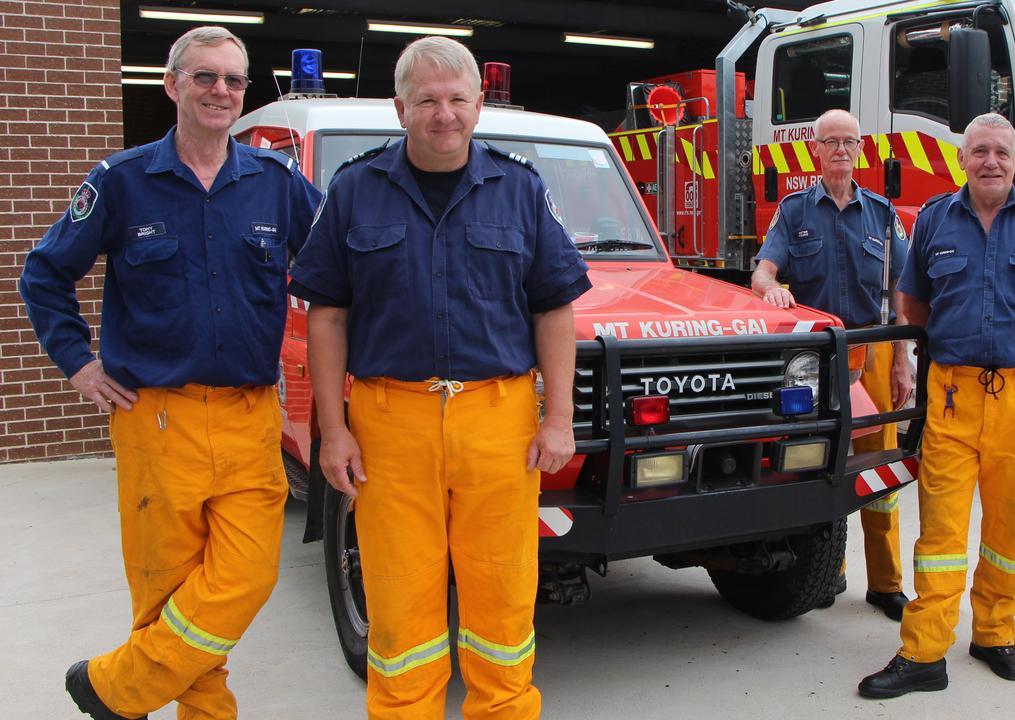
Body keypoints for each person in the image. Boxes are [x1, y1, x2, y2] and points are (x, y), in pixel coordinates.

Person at [20, 26, 321, 720]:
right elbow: (44, 274)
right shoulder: (120, 182)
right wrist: (78, 364)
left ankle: (117, 689)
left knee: (244, 576)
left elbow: (343, 266)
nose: (220, 91)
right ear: (172, 84)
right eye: (205, 77)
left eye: (233, 80)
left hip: (250, 421)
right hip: (156, 421)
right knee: (168, 596)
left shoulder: (277, 186)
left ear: (245, 93)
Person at [287, 37, 590, 719]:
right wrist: (332, 431)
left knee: (503, 600)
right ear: (401, 108)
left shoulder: (519, 189)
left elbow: (554, 310)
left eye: (457, 99)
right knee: (399, 605)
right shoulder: (354, 190)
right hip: (390, 423)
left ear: (479, 105)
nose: (443, 114)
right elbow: (327, 317)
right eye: (427, 100)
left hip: (499, 422)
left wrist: (560, 417)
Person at [858, 113, 1015, 698]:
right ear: (962, 159)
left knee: (1012, 527)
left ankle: (994, 632)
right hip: (955, 392)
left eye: (1002, 153)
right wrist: (959, 346)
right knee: (941, 529)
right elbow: (912, 302)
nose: (991, 161)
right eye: (980, 151)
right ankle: (924, 652)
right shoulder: (936, 218)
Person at [752, 108, 913, 620]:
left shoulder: (883, 215)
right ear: (816, 150)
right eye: (831, 142)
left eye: (850, 142)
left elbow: (900, 290)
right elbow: (762, 272)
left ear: (861, 150)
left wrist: (903, 361)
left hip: (875, 348)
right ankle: (829, 572)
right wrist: (773, 289)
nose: (840, 150)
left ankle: (886, 584)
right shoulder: (794, 211)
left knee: (881, 470)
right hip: (819, 358)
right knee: (824, 465)